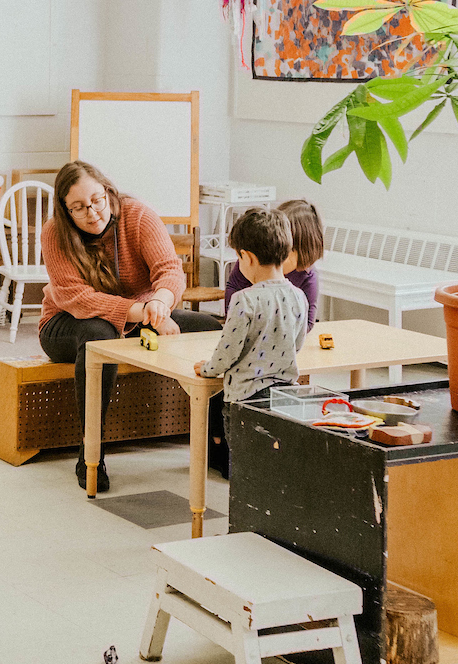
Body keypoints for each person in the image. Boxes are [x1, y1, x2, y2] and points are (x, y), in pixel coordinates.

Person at [38, 159, 221, 492]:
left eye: (97, 201)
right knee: (99, 334)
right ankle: (91, 449)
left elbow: (170, 271)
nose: (92, 212)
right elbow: (78, 299)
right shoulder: (54, 233)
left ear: (109, 192)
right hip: (66, 324)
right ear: (65, 211)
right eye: (79, 208)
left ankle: (218, 441)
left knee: (209, 328)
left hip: (142, 314)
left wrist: (160, 304)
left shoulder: (138, 215)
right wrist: (143, 311)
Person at [197, 207, 309, 478]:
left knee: (247, 470)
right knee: (275, 471)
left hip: (245, 400)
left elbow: (228, 351)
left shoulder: (245, 299)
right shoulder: (298, 296)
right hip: (284, 396)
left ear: (246, 257)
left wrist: (207, 369)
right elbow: (297, 343)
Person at [226, 197, 323, 324]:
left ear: (304, 252)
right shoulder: (253, 260)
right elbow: (233, 289)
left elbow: (307, 323)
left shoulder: (307, 276)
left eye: (286, 249)